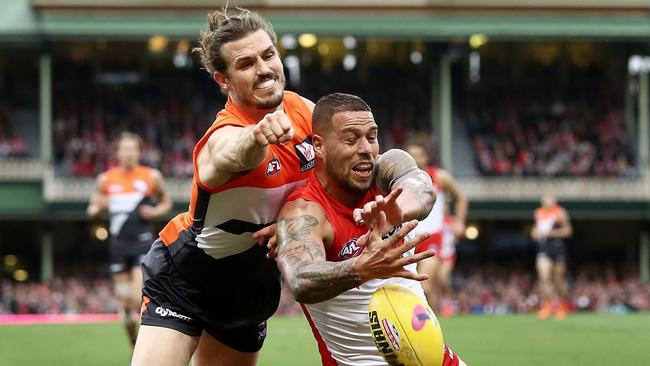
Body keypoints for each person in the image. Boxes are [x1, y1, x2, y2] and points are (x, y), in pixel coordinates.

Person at [131, 7, 316, 366]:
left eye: (268, 55)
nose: (263, 69)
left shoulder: (305, 111)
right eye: (246, 64)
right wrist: (256, 137)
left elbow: (330, 183)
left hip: (250, 289)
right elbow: (229, 155)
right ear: (223, 80)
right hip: (184, 280)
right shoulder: (224, 135)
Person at [276, 93, 467, 366]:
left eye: (371, 136)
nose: (366, 148)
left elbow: (422, 187)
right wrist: (362, 268)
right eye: (351, 139)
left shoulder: (386, 170)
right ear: (319, 145)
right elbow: (300, 280)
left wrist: (399, 209)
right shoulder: (304, 212)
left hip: (435, 359)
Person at [87, 131, 172, 346]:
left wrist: (154, 213)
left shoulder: (151, 176)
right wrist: (99, 207)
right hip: (118, 246)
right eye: (124, 149)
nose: (128, 153)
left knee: (136, 297)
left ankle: (146, 345)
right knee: (125, 305)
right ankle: (133, 341)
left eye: (132, 149)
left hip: (142, 243)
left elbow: (165, 201)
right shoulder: (105, 179)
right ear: (117, 153)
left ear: (139, 151)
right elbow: (92, 210)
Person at [406, 143, 468, 311]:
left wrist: (459, 222)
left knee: (425, 287)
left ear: (426, 157)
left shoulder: (439, 177)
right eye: (411, 155)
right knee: (410, 289)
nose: (415, 159)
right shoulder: (400, 179)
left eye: (419, 154)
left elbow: (460, 198)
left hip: (431, 238)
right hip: (407, 239)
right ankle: (429, 326)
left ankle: (430, 329)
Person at [532, 193, 573, 320]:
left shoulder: (560, 213)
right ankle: (547, 306)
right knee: (544, 276)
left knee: (558, 279)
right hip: (543, 247)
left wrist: (550, 233)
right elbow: (536, 229)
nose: (547, 201)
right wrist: (535, 233)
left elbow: (568, 231)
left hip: (557, 248)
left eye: (549, 198)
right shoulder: (538, 213)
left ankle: (561, 305)